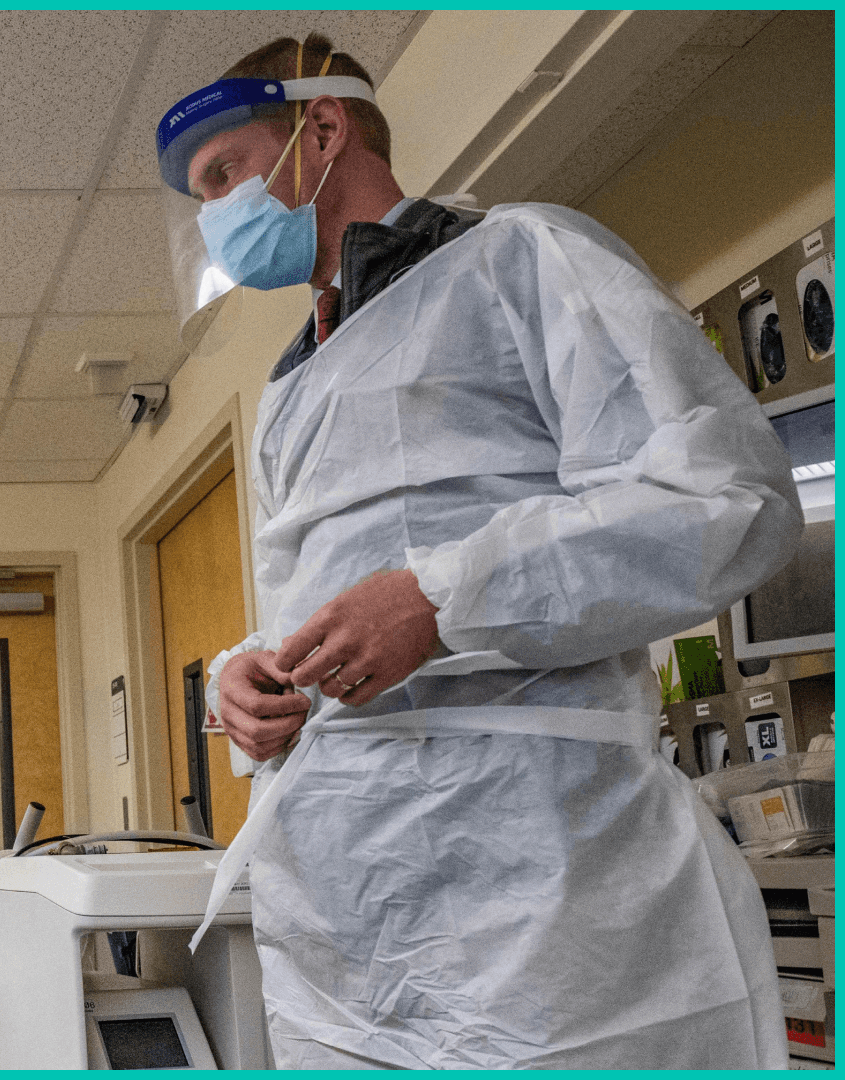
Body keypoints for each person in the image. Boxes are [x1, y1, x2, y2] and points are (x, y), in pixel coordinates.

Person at [157, 35, 802, 1070]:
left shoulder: (517, 261)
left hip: (538, 915)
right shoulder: (287, 391)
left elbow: (727, 499)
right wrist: (248, 682)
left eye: (226, 173)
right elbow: (319, 600)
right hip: (339, 932)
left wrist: (445, 600)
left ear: (320, 132)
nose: (216, 213)